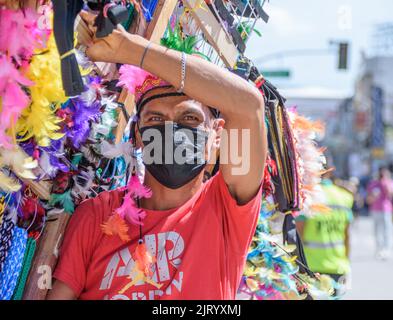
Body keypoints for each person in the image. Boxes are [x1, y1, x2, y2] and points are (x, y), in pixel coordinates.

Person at [46, 11, 267, 300]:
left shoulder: (227, 209)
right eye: (156, 119)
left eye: (189, 119)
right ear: (137, 134)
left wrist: (130, 50)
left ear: (217, 135)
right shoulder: (97, 215)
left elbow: (248, 105)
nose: (172, 130)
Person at [296, 173, 354, 297]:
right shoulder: (345, 197)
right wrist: (347, 264)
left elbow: (299, 234)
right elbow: (347, 235)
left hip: (310, 266)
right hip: (337, 265)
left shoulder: (308, 195)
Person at [366, 167, 393, 260]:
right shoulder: (373, 184)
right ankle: (379, 249)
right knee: (377, 231)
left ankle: (387, 249)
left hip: (386, 210)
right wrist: (373, 197)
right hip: (375, 210)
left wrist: (385, 183)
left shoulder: (389, 182)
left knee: (387, 230)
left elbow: (390, 194)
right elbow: (368, 199)